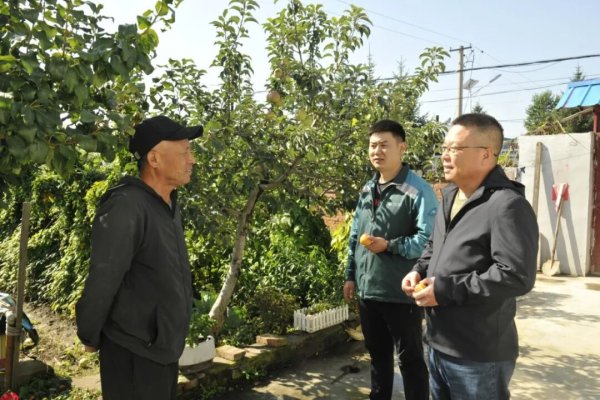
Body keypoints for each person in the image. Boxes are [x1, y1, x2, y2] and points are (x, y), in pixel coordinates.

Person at [402, 113, 538, 400]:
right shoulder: (451, 196)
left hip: (477, 355)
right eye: (444, 148)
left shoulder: (506, 205)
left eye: (455, 149)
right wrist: (418, 270)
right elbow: (434, 246)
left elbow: (516, 276)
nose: (444, 156)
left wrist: (445, 289)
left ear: (486, 154)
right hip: (439, 342)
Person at [75, 115, 203, 400]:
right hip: (134, 351)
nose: (192, 160)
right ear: (154, 159)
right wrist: (89, 333)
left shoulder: (167, 204)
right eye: (184, 152)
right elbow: (104, 276)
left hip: (163, 349)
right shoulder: (127, 206)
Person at [344, 119, 438, 400]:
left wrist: (390, 246)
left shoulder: (418, 190)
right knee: (377, 357)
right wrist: (350, 275)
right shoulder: (367, 189)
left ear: (402, 147)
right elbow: (354, 235)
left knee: (411, 362)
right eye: (373, 145)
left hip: (401, 293)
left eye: (384, 145)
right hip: (368, 291)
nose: (377, 151)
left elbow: (428, 241)